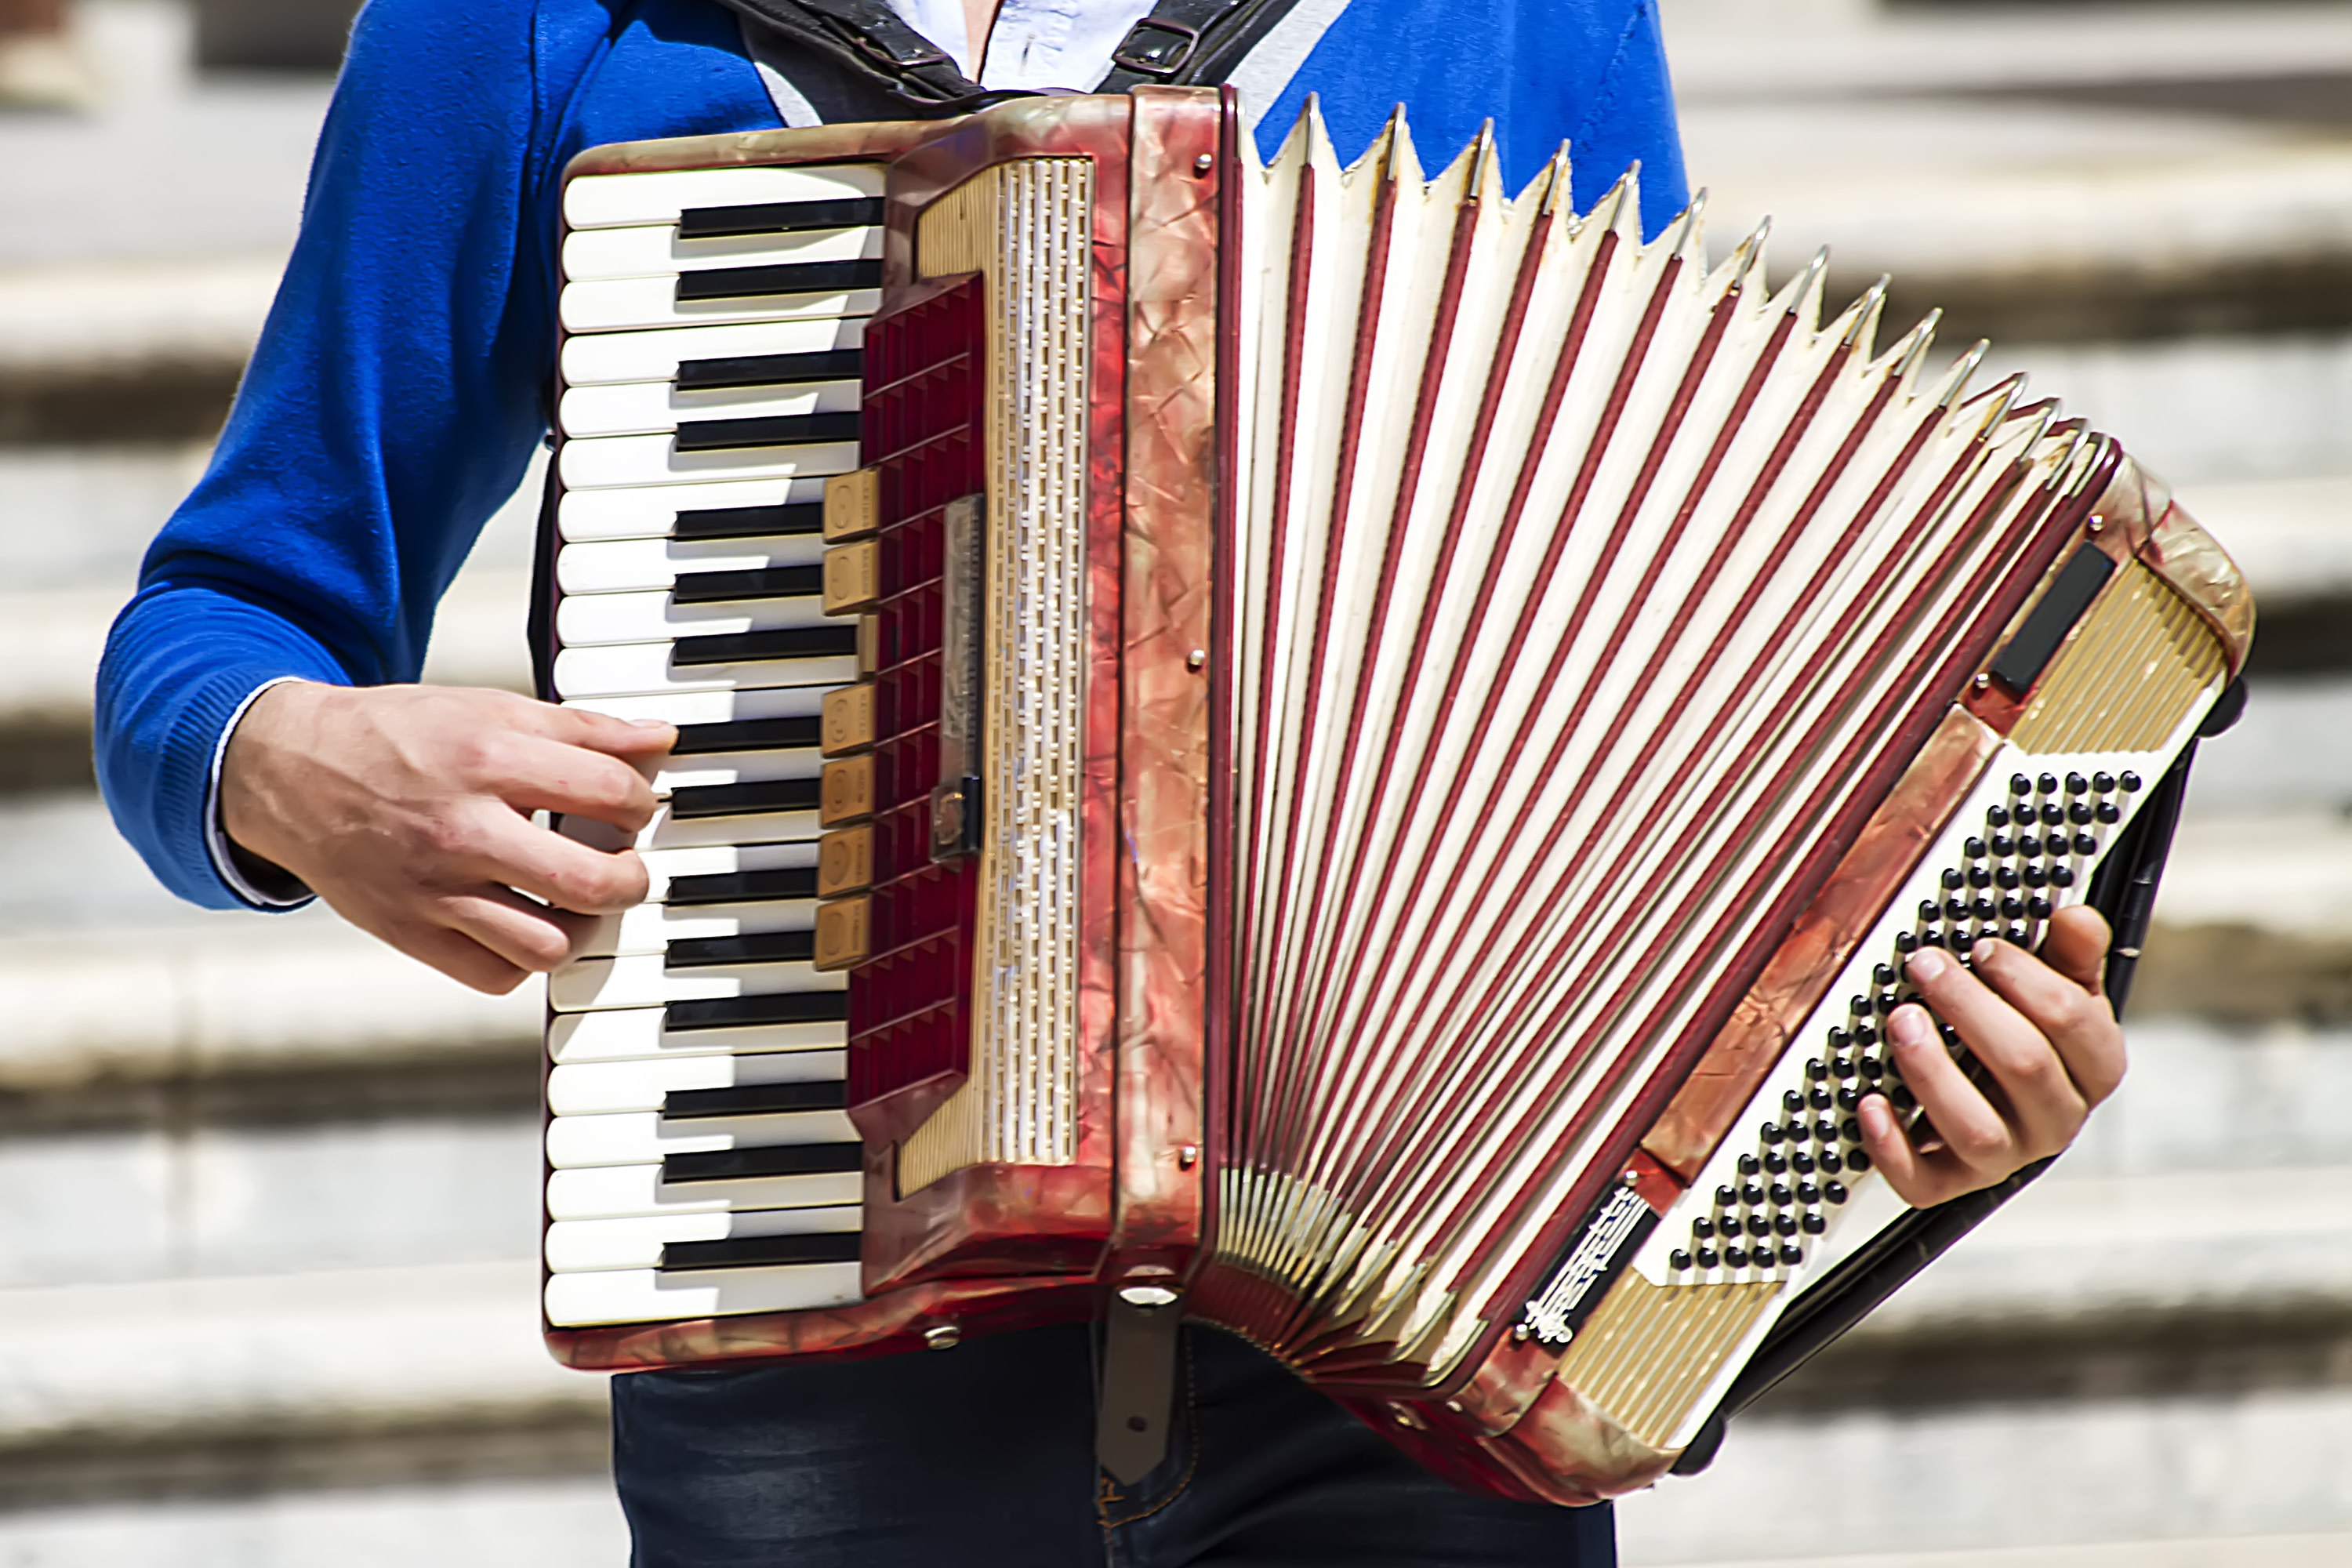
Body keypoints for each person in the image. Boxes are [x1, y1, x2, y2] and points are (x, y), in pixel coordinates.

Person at [94, 2, 2129, 1563]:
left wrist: (1894, 1095)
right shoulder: (557, 27)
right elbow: (207, 633)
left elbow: (1693, 729)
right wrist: (287, 765)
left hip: (1395, 1398)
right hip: (828, 1382)